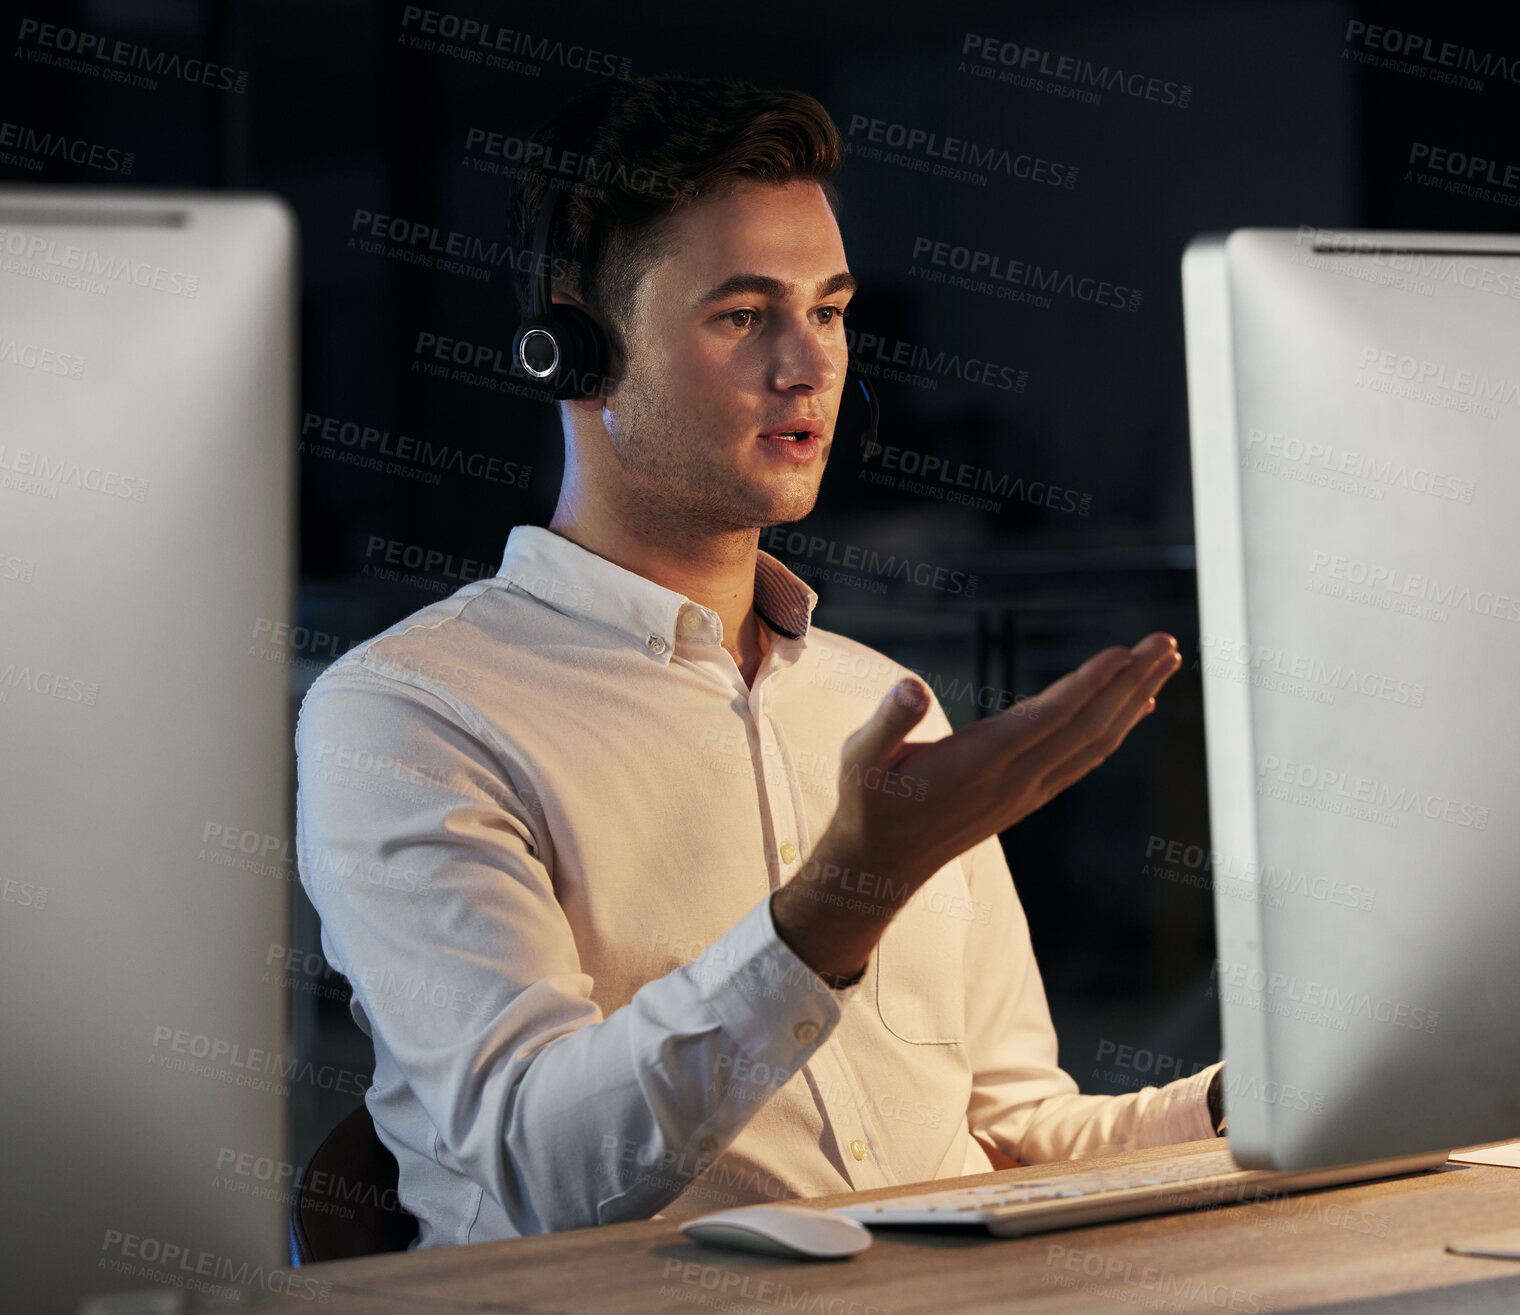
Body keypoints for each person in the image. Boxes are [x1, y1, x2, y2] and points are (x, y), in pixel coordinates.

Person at [293, 73, 1222, 1251]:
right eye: (742, 315)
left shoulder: (882, 704)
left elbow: (1014, 1135)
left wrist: (1251, 1107)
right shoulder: (408, 716)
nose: (809, 366)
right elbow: (538, 1169)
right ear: (570, 347)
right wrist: (843, 897)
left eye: (828, 311)